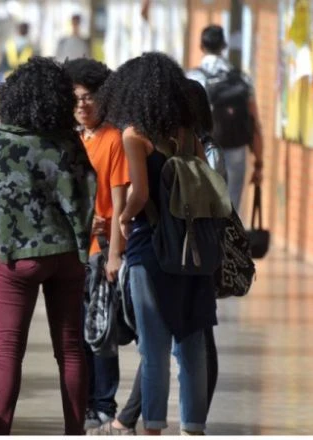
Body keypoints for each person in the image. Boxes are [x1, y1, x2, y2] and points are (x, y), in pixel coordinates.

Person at [87, 77, 222, 436]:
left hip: (151, 249)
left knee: (154, 348)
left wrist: (124, 217)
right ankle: (193, 428)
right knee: (193, 342)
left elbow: (141, 194)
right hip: (192, 250)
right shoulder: (187, 135)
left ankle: (153, 427)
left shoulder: (135, 135)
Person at [0, 56, 97, 435]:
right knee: (70, 349)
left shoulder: (2, 138)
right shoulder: (69, 141)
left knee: (7, 351)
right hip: (67, 254)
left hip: (20, 256)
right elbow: (86, 188)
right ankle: (75, 430)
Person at [63, 58, 129, 430]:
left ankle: (104, 402)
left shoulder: (114, 139)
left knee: (101, 331)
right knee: (75, 332)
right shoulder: (68, 139)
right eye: (76, 99)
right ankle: (85, 401)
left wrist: (115, 253)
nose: (82, 105)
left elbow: (120, 204)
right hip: (70, 250)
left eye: (89, 97)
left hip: (99, 251)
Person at [186, 24, 263, 212]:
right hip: (236, 147)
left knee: (204, 205)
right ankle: (228, 231)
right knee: (232, 204)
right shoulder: (242, 79)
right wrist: (258, 163)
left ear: (201, 46)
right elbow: (254, 123)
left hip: (203, 149)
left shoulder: (192, 78)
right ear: (224, 46)